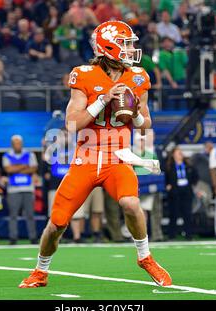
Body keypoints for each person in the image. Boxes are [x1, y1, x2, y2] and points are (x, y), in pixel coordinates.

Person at [19, 20, 172, 289]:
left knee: (131, 204)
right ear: (108, 47)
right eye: (125, 44)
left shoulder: (138, 77)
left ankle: (145, 257)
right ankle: (40, 271)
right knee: (57, 224)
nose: (131, 49)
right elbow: (71, 123)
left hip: (118, 157)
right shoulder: (84, 75)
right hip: (87, 158)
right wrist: (103, 99)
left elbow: (146, 122)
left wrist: (135, 113)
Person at [2, 135, 39, 245]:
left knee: (30, 214)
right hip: (13, 190)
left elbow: (33, 168)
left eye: (19, 143)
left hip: (28, 188)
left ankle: (33, 237)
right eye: (15, 143)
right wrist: (24, 166)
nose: (17, 145)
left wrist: (16, 169)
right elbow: (8, 169)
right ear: (12, 144)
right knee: (13, 214)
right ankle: (13, 238)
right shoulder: (7, 155)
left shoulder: (30, 154)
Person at [165, 146, 198, 240]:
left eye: (181, 152)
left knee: (187, 213)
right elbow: (165, 177)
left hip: (186, 191)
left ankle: (189, 235)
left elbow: (195, 176)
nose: (180, 154)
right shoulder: (169, 166)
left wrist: (192, 184)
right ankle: (172, 235)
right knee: (173, 214)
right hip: (175, 192)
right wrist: (168, 185)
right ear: (173, 154)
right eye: (178, 152)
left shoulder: (188, 165)